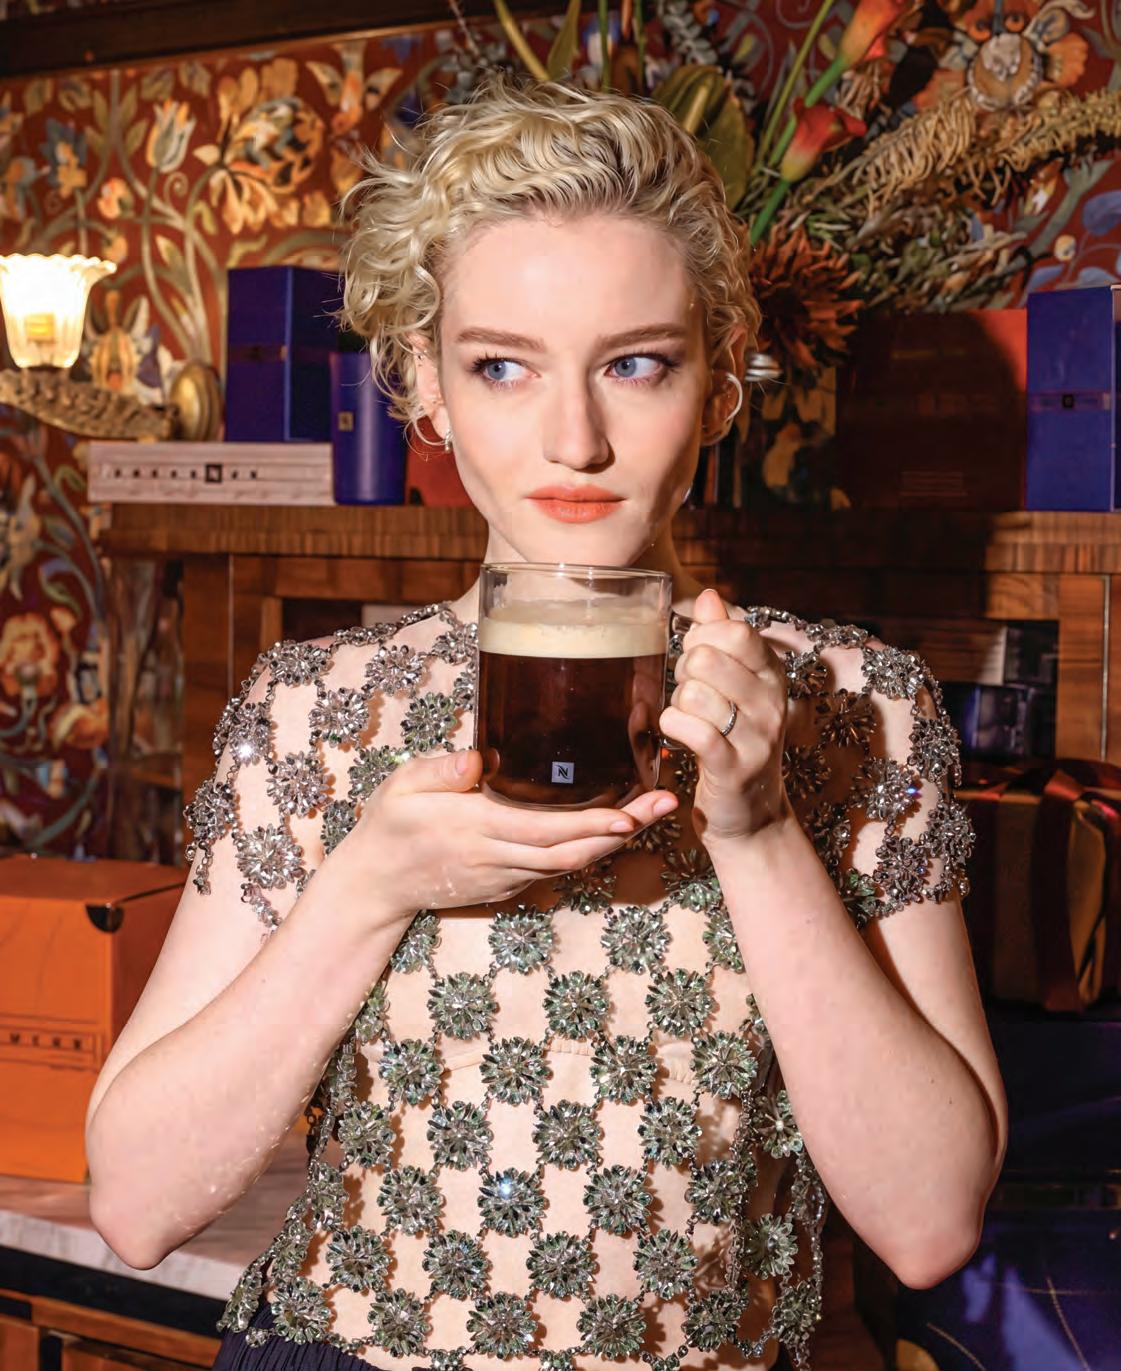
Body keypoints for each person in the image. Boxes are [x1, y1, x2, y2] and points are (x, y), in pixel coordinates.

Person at [84, 74, 1006, 1371]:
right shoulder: (318, 710)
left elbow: (926, 1226)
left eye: (635, 364)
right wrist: (369, 887)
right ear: (427, 387)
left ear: (719, 386)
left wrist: (757, 835)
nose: (575, 439)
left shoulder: (855, 709)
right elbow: (135, 1204)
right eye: (503, 367)